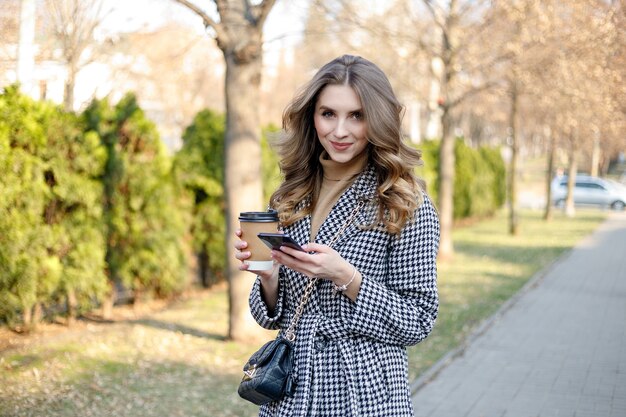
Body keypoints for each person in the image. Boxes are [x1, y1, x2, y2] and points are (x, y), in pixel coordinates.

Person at [235, 54, 440, 417]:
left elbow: (419, 320)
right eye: (328, 113)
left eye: (356, 116)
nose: (339, 131)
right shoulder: (292, 194)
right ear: (312, 117)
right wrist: (268, 275)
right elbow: (270, 319)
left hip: (365, 393)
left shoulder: (404, 201)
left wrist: (346, 276)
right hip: (293, 392)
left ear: (377, 119)